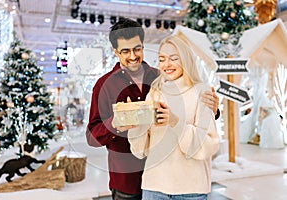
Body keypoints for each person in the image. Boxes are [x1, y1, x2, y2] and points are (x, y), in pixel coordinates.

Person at [86, 18, 219, 200]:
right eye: (125, 51)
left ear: (142, 45)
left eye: (137, 49)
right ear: (116, 52)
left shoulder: (160, 78)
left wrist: (212, 109)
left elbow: (192, 108)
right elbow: (92, 136)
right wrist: (116, 123)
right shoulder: (104, 86)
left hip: (171, 179)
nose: (132, 56)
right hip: (128, 179)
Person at [128, 34, 220, 200]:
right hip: (154, 187)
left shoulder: (202, 92)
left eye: (173, 58)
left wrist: (175, 122)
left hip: (190, 190)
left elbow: (207, 146)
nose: (166, 64)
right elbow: (141, 151)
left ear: (185, 60)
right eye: (162, 59)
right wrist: (135, 126)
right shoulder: (155, 93)